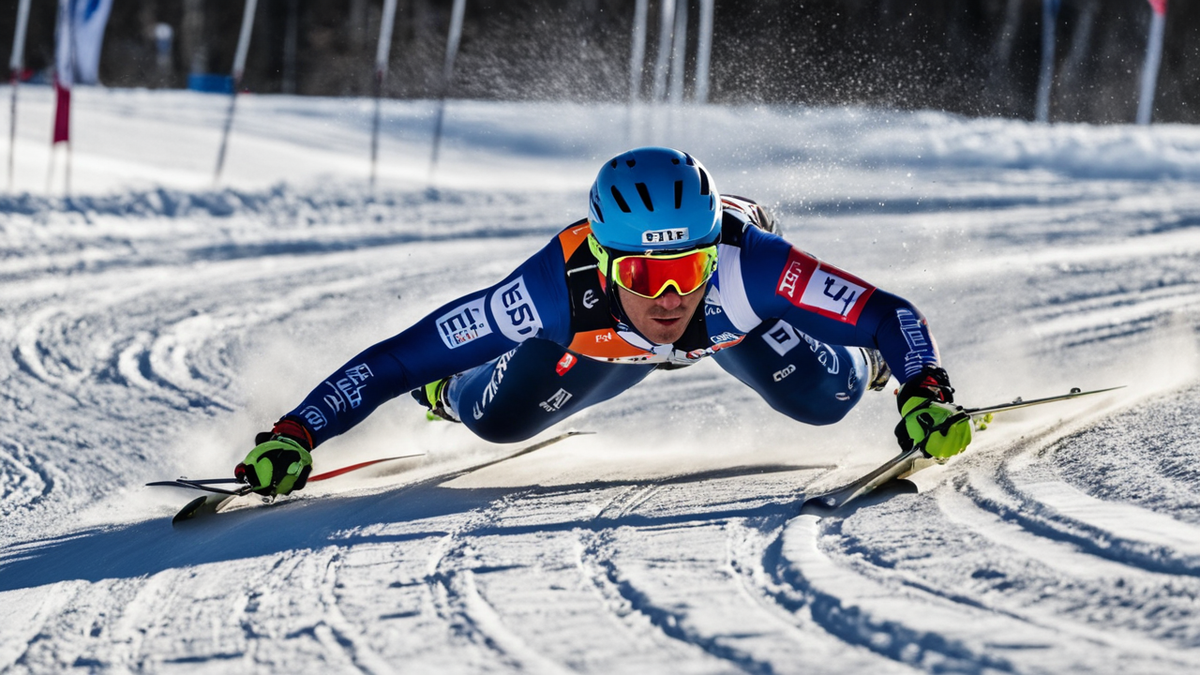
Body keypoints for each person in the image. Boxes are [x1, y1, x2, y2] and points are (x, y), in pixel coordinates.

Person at [234, 147, 974, 496]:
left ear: (711, 253)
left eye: (688, 269)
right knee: (493, 421)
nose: (669, 298)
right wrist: (297, 431)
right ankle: (451, 396)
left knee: (827, 401)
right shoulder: (549, 292)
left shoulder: (751, 265)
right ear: (603, 259)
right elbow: (398, 359)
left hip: (734, 332)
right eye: (645, 275)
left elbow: (888, 311)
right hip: (597, 345)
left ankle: (865, 366)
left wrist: (922, 386)